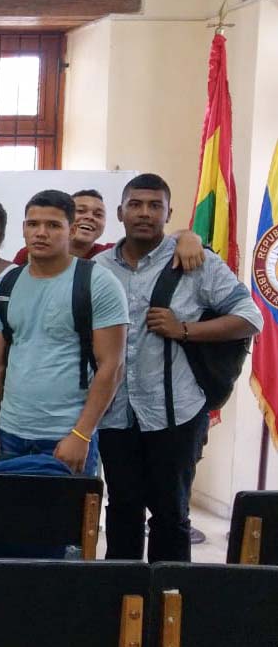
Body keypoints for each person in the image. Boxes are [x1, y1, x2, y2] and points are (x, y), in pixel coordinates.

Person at [96, 173, 261, 562]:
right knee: (121, 512)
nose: (144, 213)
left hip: (176, 412)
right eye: (136, 204)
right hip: (115, 413)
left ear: (168, 213)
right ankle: (122, 607)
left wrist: (185, 329)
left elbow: (250, 317)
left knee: (170, 516)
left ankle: (169, 611)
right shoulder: (99, 266)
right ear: (121, 212)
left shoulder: (195, 260)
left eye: (155, 206)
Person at [0, 190, 128, 476]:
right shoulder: (5, 285)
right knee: (8, 521)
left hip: (67, 435)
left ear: (71, 230)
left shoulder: (98, 283)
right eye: (33, 224)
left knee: (67, 521)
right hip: (10, 434)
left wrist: (82, 435)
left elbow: (113, 365)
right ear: (23, 229)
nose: (41, 233)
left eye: (53, 225)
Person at [13, 188, 205, 268]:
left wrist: (188, 236)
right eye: (81, 211)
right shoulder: (31, 253)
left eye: (98, 214)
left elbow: (160, 242)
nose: (89, 217)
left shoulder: (111, 255)